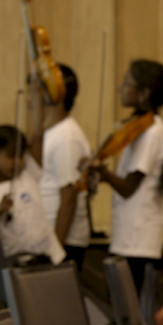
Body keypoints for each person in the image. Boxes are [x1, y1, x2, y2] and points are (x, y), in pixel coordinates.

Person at [85, 59, 163, 295]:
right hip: (128, 236)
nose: (121, 87)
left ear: (144, 93)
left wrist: (103, 173)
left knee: (132, 309)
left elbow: (130, 187)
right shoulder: (138, 128)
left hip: (139, 241)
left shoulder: (153, 132)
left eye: (127, 82)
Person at [0, 125, 65, 266]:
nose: (19, 161)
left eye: (21, 155)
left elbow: (38, 134)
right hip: (17, 267)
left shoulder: (27, 175)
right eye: (11, 156)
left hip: (52, 260)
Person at [37, 64, 92, 269]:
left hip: (63, 242)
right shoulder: (53, 133)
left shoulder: (65, 137)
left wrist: (56, 251)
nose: (28, 98)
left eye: (35, 90)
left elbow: (68, 196)